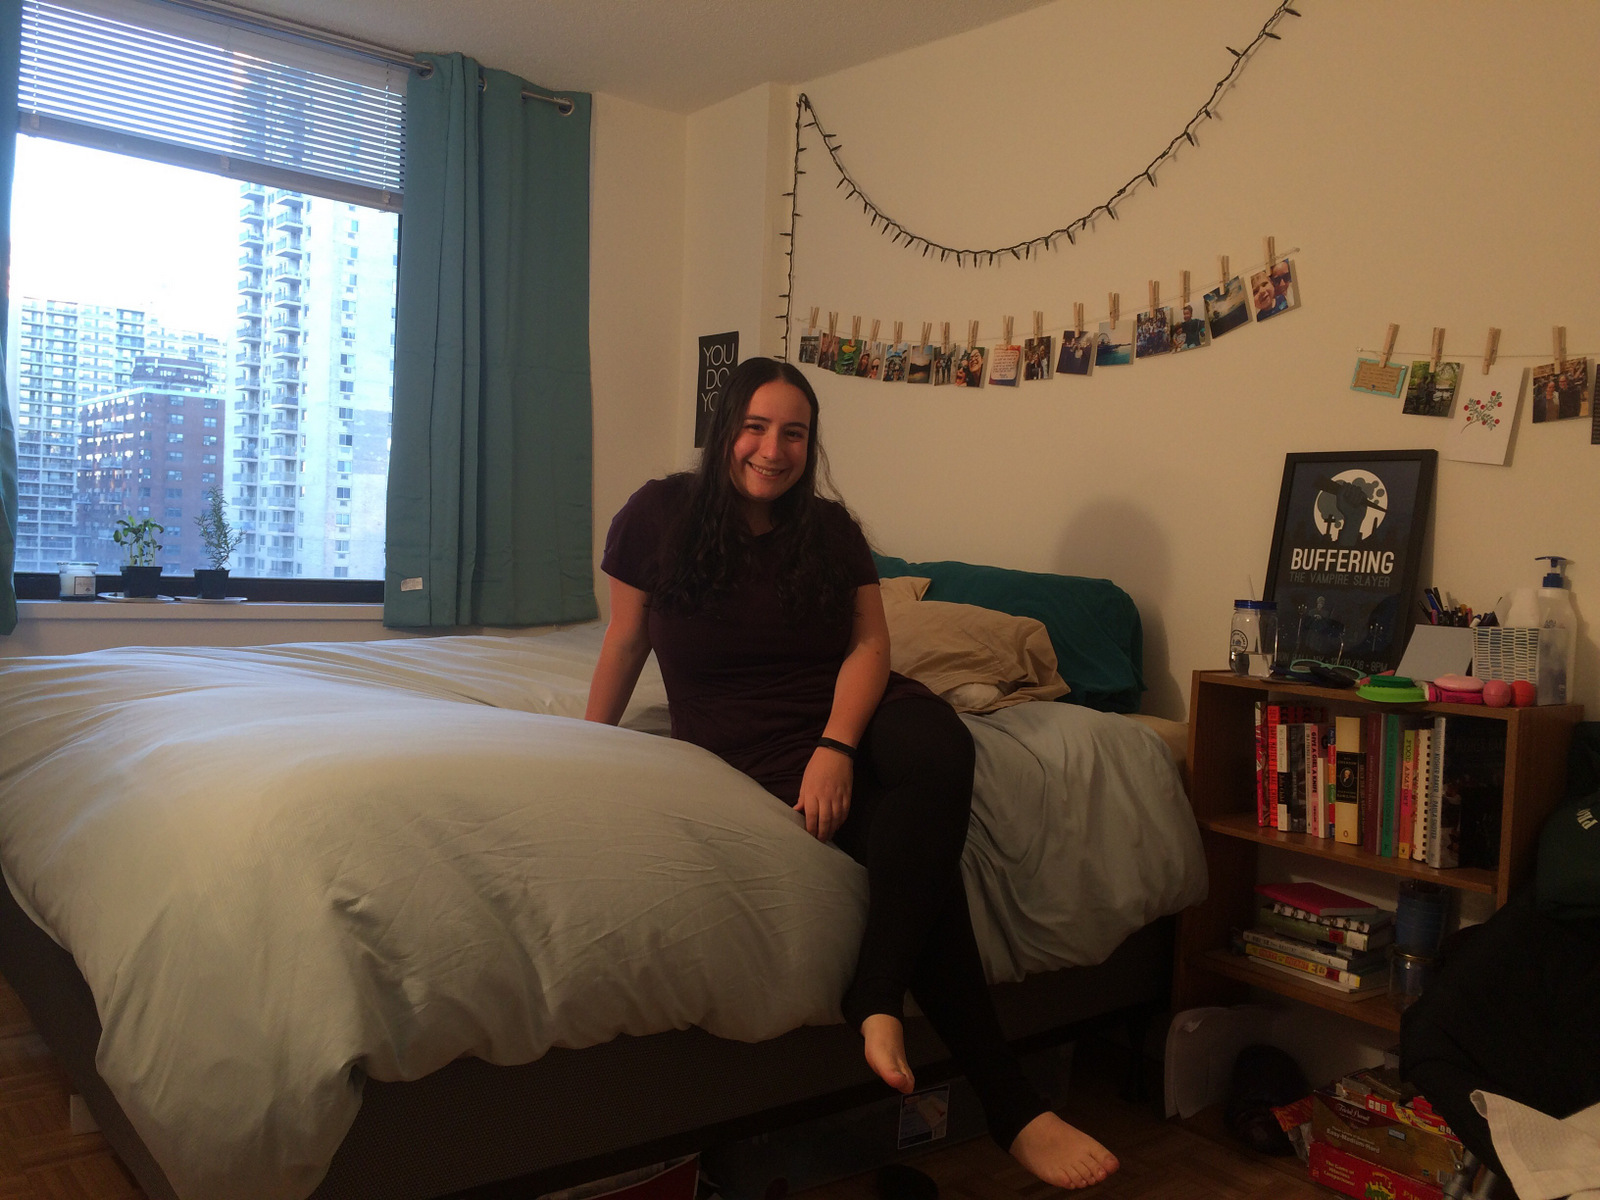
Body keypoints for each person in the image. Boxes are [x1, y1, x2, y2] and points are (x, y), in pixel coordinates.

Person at [585, 357, 1119, 1190]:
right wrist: (588, 747)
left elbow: (872, 644)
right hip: (750, 734)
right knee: (916, 862)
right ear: (725, 431)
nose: (773, 450)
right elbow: (625, 642)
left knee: (944, 749)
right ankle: (1011, 1105)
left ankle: (877, 995)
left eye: (794, 433)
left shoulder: (829, 529)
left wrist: (836, 747)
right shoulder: (657, 515)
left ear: (811, 443)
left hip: (850, 708)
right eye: (756, 428)